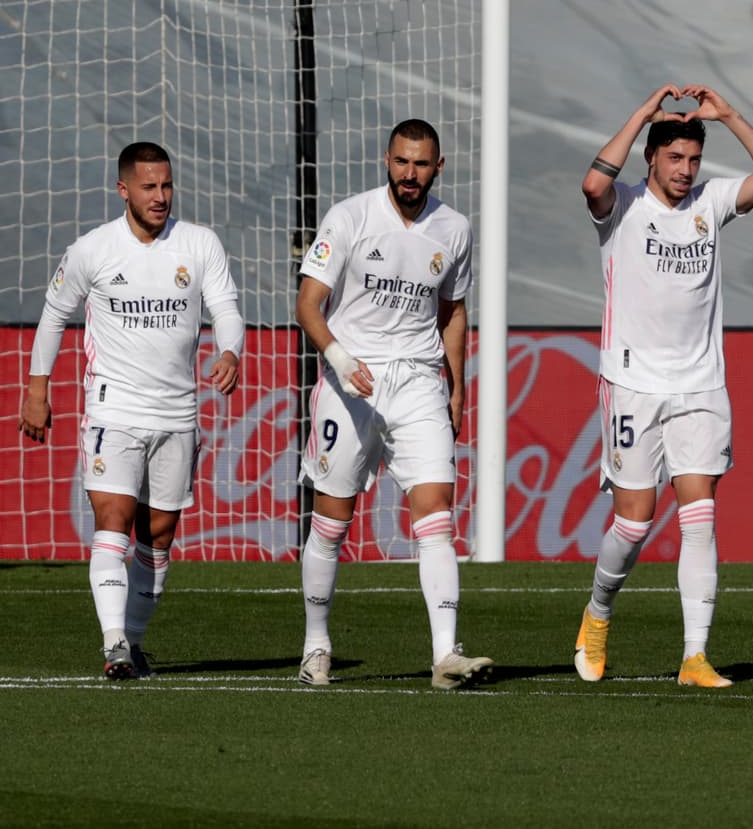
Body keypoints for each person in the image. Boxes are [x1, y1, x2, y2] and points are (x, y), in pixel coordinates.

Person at [573, 84, 753, 687]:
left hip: (700, 384)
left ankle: (694, 656)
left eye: (693, 159)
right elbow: (591, 185)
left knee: (700, 515)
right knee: (634, 523)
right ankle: (597, 614)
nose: (685, 170)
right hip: (632, 384)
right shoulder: (620, 203)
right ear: (652, 159)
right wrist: (642, 112)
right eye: (674, 158)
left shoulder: (711, 202)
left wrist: (731, 117)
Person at [19, 142, 244, 679]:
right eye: (149, 187)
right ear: (124, 190)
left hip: (177, 414)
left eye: (166, 185)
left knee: (159, 536)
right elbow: (54, 316)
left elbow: (227, 309)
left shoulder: (199, 244)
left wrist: (231, 349)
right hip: (112, 408)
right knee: (113, 521)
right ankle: (114, 641)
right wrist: (36, 389)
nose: (160, 197)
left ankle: (135, 644)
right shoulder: (93, 250)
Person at [294, 119, 492, 689]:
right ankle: (316, 645)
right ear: (387, 160)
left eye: (421, 164)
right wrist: (337, 358)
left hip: (418, 382)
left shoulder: (454, 229)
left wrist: (455, 386)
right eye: (402, 162)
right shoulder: (350, 216)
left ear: (439, 167)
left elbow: (452, 311)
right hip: (349, 382)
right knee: (332, 521)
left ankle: (445, 656)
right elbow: (309, 304)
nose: (410, 173)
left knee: (436, 514)